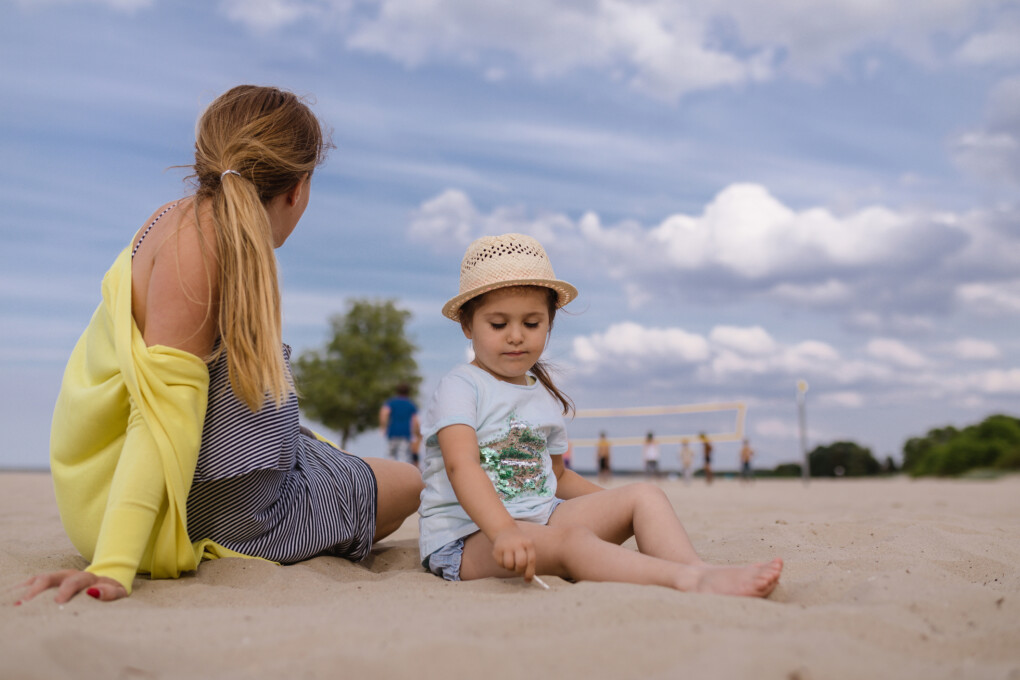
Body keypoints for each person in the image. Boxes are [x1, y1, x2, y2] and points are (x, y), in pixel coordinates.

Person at [16, 85, 423, 605]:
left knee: (344, 460)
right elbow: (161, 419)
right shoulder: (200, 249)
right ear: (298, 188)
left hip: (134, 486)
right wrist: (114, 566)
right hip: (185, 510)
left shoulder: (174, 220)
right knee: (407, 484)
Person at [416, 233, 782, 596]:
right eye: (498, 325)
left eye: (531, 324)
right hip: (471, 536)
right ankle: (686, 582)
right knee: (572, 542)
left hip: (543, 515)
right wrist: (505, 531)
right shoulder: (462, 385)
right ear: (467, 324)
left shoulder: (539, 393)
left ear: (549, 322)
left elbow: (555, 475)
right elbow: (461, 466)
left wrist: (610, 505)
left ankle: (695, 569)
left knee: (644, 495)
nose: (516, 336)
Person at [379, 383, 420, 465]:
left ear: (397, 392)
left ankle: (389, 474)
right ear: (408, 392)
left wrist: (383, 427)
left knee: (390, 456)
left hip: (393, 432)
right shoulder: (411, 404)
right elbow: (416, 421)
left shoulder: (391, 402)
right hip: (405, 434)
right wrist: (416, 433)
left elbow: (383, 413)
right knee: (403, 457)